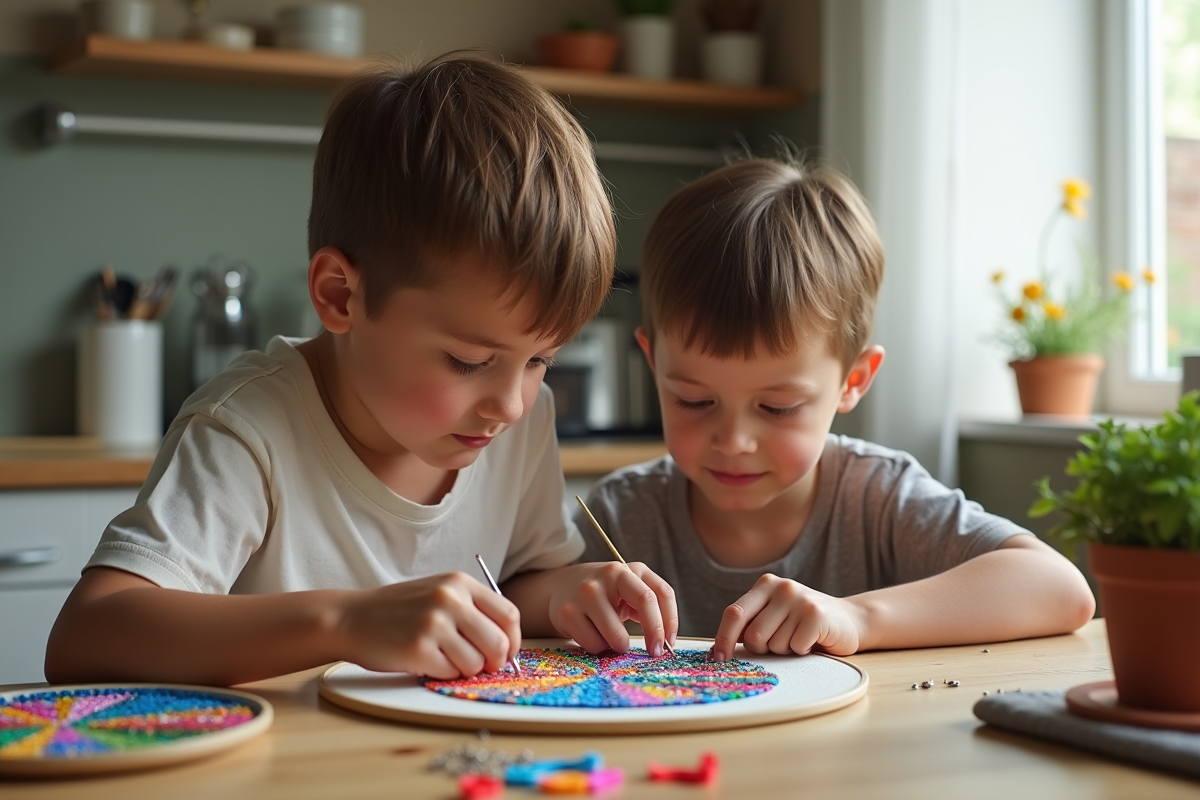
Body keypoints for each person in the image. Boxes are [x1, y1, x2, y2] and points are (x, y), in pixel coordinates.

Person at [45, 55, 677, 687]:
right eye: (469, 361)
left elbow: (521, 580)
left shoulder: (519, 421)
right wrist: (346, 621)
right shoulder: (248, 427)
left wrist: (568, 590)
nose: (511, 403)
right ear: (341, 296)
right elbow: (85, 638)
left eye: (541, 359)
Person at [575, 158, 1095, 662]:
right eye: (694, 400)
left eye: (778, 407)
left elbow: (1061, 589)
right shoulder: (621, 515)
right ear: (651, 361)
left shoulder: (877, 498)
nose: (733, 439)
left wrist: (857, 618)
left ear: (853, 381)